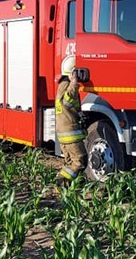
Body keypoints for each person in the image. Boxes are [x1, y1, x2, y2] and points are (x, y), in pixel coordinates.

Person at [55, 56, 87, 189]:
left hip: (65, 131)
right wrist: (74, 83)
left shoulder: (61, 85)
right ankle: (60, 183)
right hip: (70, 132)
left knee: (70, 163)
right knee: (80, 161)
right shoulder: (67, 85)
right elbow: (68, 102)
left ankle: (66, 186)